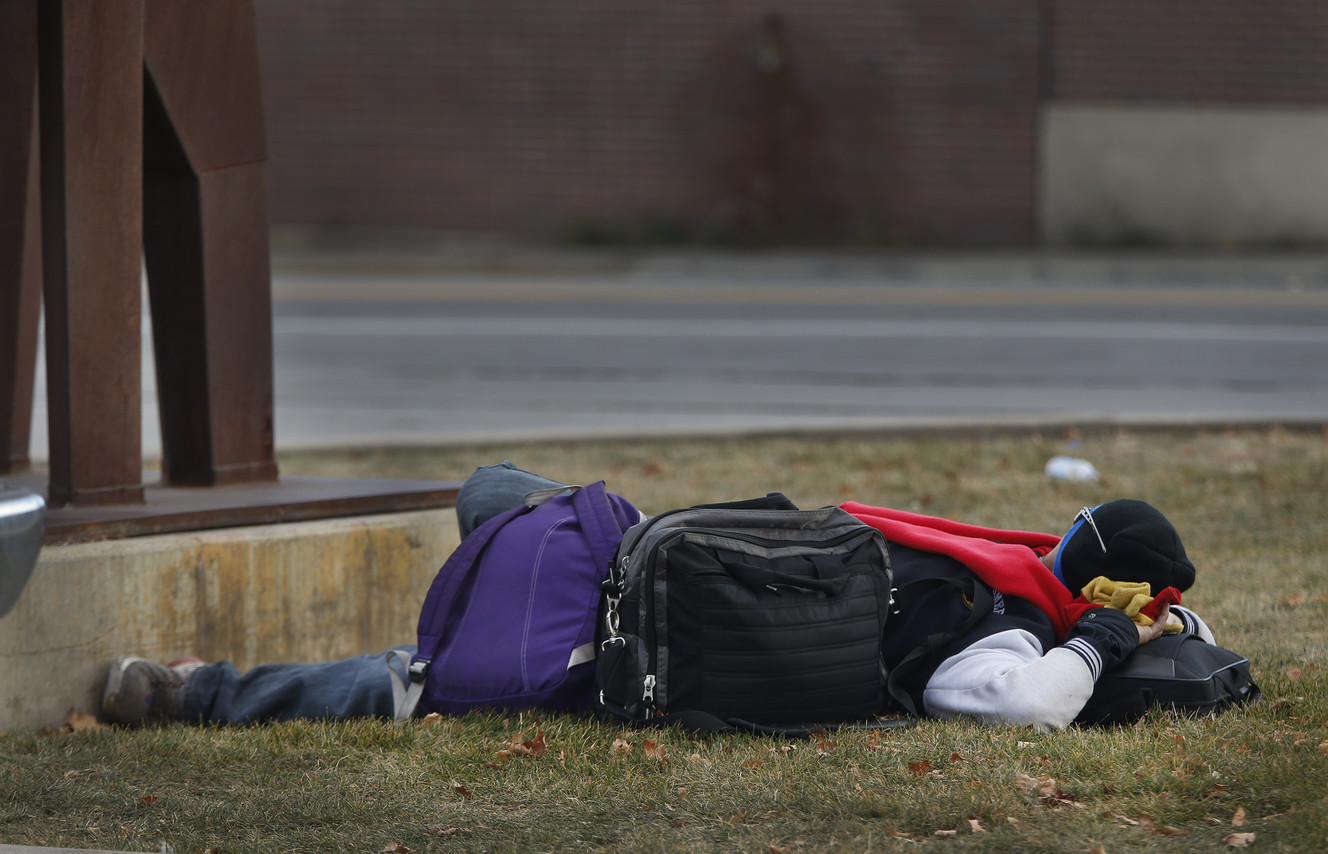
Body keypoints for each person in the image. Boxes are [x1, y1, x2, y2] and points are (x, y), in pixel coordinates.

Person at [101, 462, 1212, 731]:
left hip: (657, 635)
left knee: (419, 681)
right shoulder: (1005, 597)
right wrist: (1127, 632)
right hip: (675, 577)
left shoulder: (998, 609)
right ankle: (478, 615)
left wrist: (1107, 639)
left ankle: (198, 692)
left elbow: (1023, 703)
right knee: (497, 490)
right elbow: (1056, 683)